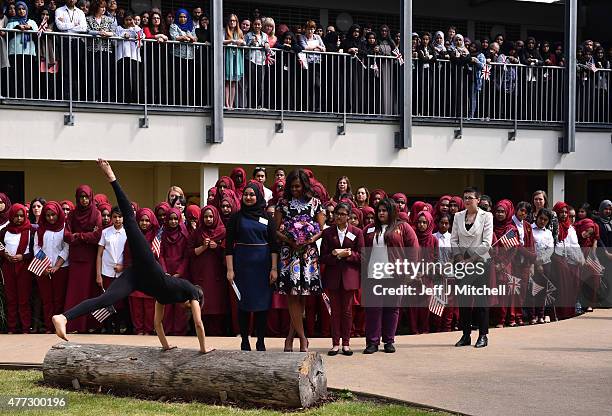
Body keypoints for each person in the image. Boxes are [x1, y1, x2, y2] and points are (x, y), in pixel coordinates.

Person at [53, 159, 213, 354]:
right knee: (129, 219)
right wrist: (204, 350)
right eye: (190, 307)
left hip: (135, 277)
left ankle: (63, 317)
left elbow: (157, 325)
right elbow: (198, 323)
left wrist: (166, 346)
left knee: (106, 299)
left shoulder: (164, 298)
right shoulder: (193, 291)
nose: (185, 308)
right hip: (147, 265)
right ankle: (111, 176)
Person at [275, 169, 325, 352]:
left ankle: (290, 338)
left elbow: (321, 228)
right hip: (290, 255)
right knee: (292, 296)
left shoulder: (316, 203)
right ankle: (303, 339)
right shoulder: (283, 203)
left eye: (298, 186)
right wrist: (290, 239)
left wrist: (310, 239)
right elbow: (276, 230)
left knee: (302, 297)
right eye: (292, 186)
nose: (295, 189)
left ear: (305, 185)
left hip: (307, 254)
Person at [226, 181, 279, 351]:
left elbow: (273, 245)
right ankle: (245, 341)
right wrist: (230, 269)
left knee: (262, 305)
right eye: (246, 194)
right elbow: (228, 246)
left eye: (252, 194)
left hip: (263, 268)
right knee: (244, 304)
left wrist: (274, 268)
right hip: (242, 267)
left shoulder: (267, 218)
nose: (248, 197)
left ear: (258, 197)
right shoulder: (236, 217)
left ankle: (261, 340)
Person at [362, 198, 419, 353]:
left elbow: (413, 250)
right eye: (379, 210)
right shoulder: (369, 228)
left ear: (392, 212)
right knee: (373, 309)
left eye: (384, 210)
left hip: (395, 275)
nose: (381, 213)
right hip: (373, 276)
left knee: (392, 309)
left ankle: (388, 341)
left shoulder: (403, 227)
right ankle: (372, 343)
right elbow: (361, 251)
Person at [451, 187, 493, 348]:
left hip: (480, 262)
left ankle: (483, 335)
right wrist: (460, 258)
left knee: (481, 300)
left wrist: (472, 259)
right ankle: (465, 335)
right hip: (461, 263)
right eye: (465, 197)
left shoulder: (486, 216)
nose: (467, 200)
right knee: (464, 300)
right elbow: (454, 240)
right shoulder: (458, 216)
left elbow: (487, 242)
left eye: (470, 197)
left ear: (478, 199)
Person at [320, 202, 363, 356]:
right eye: (337, 213)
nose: (339, 216)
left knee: (347, 312)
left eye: (343, 214)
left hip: (349, 278)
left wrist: (349, 254)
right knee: (335, 312)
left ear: (348, 216)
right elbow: (322, 257)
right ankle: (335, 344)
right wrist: (334, 255)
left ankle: (346, 343)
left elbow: (362, 256)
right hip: (333, 277)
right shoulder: (328, 233)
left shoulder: (357, 232)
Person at [63, 184, 102, 333]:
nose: (84, 200)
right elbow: (66, 236)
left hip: (90, 259)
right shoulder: (72, 214)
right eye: (81, 197)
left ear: (91, 197)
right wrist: (86, 235)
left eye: (86, 197)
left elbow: (96, 236)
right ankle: (73, 325)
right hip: (75, 258)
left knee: (88, 291)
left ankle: (88, 325)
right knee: (74, 292)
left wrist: (78, 235)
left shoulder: (96, 213)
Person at [188, 205, 228, 336]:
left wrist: (217, 247)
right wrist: (203, 247)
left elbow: (228, 252)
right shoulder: (197, 232)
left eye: (211, 216)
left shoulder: (223, 231)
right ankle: (203, 332)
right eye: (205, 216)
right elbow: (189, 252)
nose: (208, 219)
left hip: (217, 275)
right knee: (204, 304)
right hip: (201, 274)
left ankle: (218, 333)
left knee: (217, 304)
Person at [0, 203, 34, 333]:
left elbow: (33, 251)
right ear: (11, 216)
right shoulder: (4, 232)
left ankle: (26, 328)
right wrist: (5, 255)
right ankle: (12, 327)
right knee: (11, 299)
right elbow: (0, 246)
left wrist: (22, 257)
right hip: (8, 267)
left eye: (21, 216)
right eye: (16, 216)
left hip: (23, 267)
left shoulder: (31, 230)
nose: (19, 219)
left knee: (23, 299)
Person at [96, 205, 128, 333]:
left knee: (120, 301)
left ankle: (119, 327)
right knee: (107, 300)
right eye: (114, 217)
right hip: (107, 272)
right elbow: (99, 254)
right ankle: (108, 327)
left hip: (123, 273)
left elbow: (131, 254)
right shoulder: (105, 232)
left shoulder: (128, 232)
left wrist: (123, 266)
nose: (117, 219)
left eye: (120, 217)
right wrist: (98, 274)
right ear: (111, 218)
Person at [159, 206, 190, 335]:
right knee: (167, 302)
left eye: (175, 219)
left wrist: (179, 272)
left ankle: (179, 331)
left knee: (179, 303)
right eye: (170, 219)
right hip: (167, 273)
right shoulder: (164, 234)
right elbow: (161, 254)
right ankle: (167, 330)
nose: (173, 221)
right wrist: (164, 271)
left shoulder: (184, 235)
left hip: (180, 274)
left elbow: (186, 256)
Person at [129, 208, 158, 335]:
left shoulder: (156, 237)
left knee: (149, 305)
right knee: (137, 307)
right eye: (141, 220)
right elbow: (127, 255)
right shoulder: (133, 235)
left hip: (151, 276)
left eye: (147, 220)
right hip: (136, 274)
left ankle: (148, 330)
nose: (144, 223)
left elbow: (159, 256)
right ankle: (139, 330)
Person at [6, 1, 38, 99]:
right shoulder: (11, 22)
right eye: (19, 9)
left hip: (29, 52)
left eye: (23, 9)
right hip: (15, 52)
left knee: (28, 75)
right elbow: (7, 35)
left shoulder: (32, 22)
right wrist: (17, 27)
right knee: (16, 75)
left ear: (26, 10)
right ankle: (15, 96)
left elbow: (38, 35)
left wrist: (30, 28)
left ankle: (28, 96)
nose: (21, 11)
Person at [244, 17, 269, 109]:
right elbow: (244, 48)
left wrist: (266, 45)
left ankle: (255, 105)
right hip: (250, 60)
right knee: (251, 83)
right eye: (255, 24)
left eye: (259, 24)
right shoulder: (248, 35)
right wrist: (251, 43)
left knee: (259, 84)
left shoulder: (265, 35)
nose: (257, 26)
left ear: (261, 25)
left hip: (261, 61)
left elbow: (267, 46)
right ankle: (249, 105)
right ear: (253, 25)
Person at [224, 14, 245, 109]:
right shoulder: (224, 30)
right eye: (231, 20)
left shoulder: (239, 32)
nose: (232, 22)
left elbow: (244, 43)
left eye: (234, 21)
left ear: (237, 22)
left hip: (237, 57)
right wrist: (232, 41)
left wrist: (242, 43)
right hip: (228, 56)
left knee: (234, 83)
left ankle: (231, 104)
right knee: (227, 81)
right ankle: (226, 103)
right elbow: (220, 41)